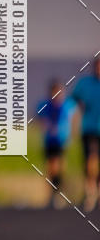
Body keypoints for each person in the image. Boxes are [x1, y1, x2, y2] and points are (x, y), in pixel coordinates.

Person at [36, 79, 76, 208]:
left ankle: (59, 192)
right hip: (49, 140)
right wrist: (46, 127)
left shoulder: (67, 105)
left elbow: (73, 119)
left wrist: (70, 135)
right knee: (50, 167)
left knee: (60, 166)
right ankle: (52, 194)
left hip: (62, 140)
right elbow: (40, 119)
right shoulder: (45, 105)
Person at [72, 57, 100, 211]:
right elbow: (73, 97)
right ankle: (91, 191)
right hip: (89, 128)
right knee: (90, 159)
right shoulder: (85, 83)